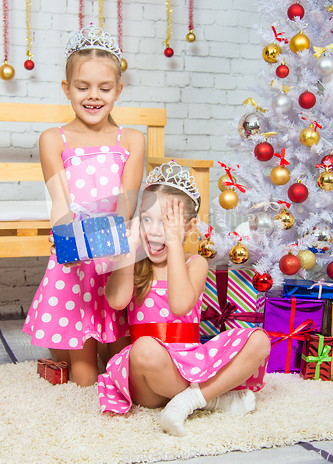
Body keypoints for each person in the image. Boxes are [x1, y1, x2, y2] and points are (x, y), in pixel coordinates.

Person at [98, 161, 271, 436]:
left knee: (260, 339)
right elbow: (117, 300)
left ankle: (189, 400)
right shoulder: (134, 262)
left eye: (167, 222)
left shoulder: (196, 263)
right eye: (146, 219)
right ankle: (212, 399)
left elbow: (180, 305)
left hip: (192, 362)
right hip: (150, 375)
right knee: (143, 348)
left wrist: (176, 244)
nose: (155, 231)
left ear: (188, 228)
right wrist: (128, 251)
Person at [23, 24, 145, 386]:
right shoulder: (53, 139)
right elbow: (59, 201)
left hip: (114, 254)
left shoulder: (131, 139)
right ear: (67, 89)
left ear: (118, 91)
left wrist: (102, 243)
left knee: (125, 360)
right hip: (74, 259)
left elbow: (126, 202)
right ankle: (76, 357)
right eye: (83, 87)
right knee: (84, 377)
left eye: (104, 88)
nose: (93, 96)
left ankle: (110, 355)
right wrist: (68, 239)